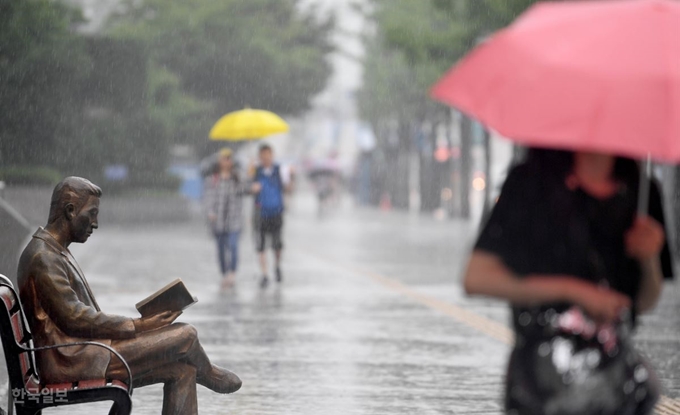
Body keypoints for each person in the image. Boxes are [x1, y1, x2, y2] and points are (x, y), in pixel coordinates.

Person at [463, 149, 674, 414]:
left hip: (612, 386)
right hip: (540, 383)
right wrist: (575, 292)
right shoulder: (529, 184)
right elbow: (477, 278)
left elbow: (643, 302)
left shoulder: (641, 193)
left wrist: (649, 258)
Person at [17, 177, 241, 415]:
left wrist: (142, 326)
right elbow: (75, 318)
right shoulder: (44, 257)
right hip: (72, 359)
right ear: (71, 211)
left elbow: (80, 316)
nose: (95, 223)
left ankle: (200, 369)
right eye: (91, 213)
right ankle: (209, 373)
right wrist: (138, 325)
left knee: (183, 371)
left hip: (87, 351)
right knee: (186, 335)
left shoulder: (53, 251)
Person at [204, 148, 250, 289]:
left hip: (234, 220)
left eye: (229, 158)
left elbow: (246, 190)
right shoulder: (213, 179)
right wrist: (210, 212)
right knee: (221, 249)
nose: (226, 161)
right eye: (224, 158)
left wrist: (251, 172)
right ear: (219, 161)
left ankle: (232, 273)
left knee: (234, 246)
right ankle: (224, 272)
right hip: (217, 221)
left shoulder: (237, 178)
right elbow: (208, 198)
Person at [251, 144, 292, 287]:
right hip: (261, 213)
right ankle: (264, 274)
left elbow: (288, 188)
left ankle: (277, 265)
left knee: (277, 245)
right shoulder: (256, 171)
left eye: (268, 154)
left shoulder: (280, 170)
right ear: (260, 156)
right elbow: (247, 188)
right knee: (261, 246)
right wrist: (253, 187)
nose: (266, 158)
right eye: (263, 155)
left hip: (276, 212)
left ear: (272, 155)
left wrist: (291, 178)